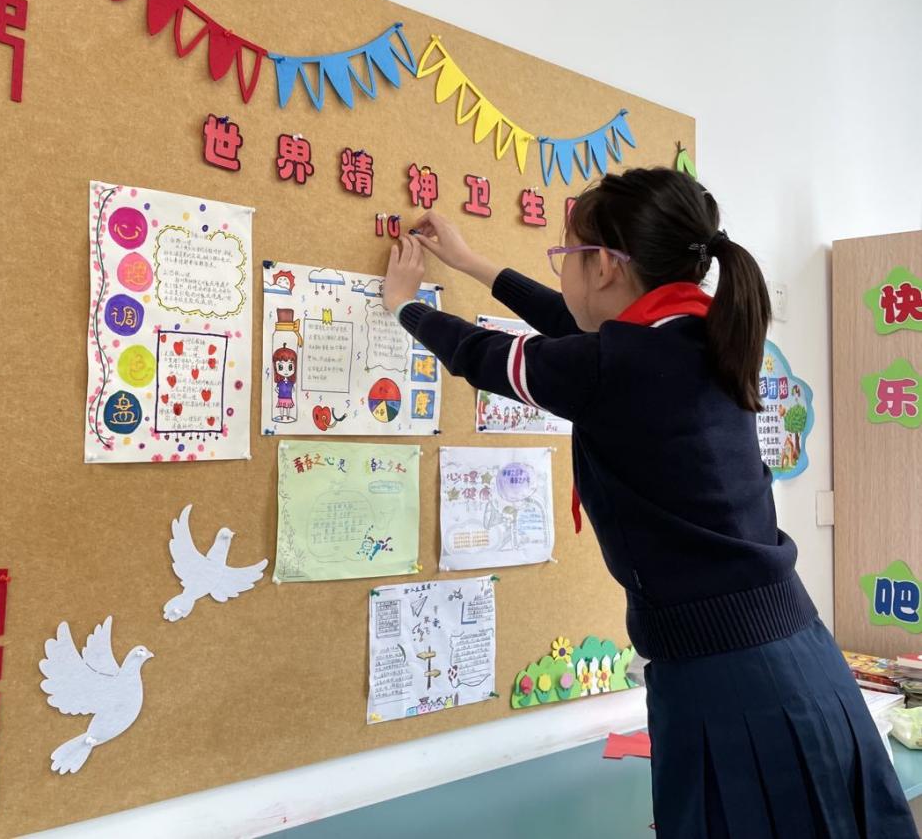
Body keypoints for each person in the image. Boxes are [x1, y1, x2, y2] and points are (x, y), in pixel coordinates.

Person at [381, 168, 914, 838]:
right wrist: (471, 263)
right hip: (802, 657)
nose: (563, 272)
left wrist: (404, 306)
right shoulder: (705, 331)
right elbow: (578, 329)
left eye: (566, 255)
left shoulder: (615, 365)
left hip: (728, 682)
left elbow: (481, 353)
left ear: (604, 265)